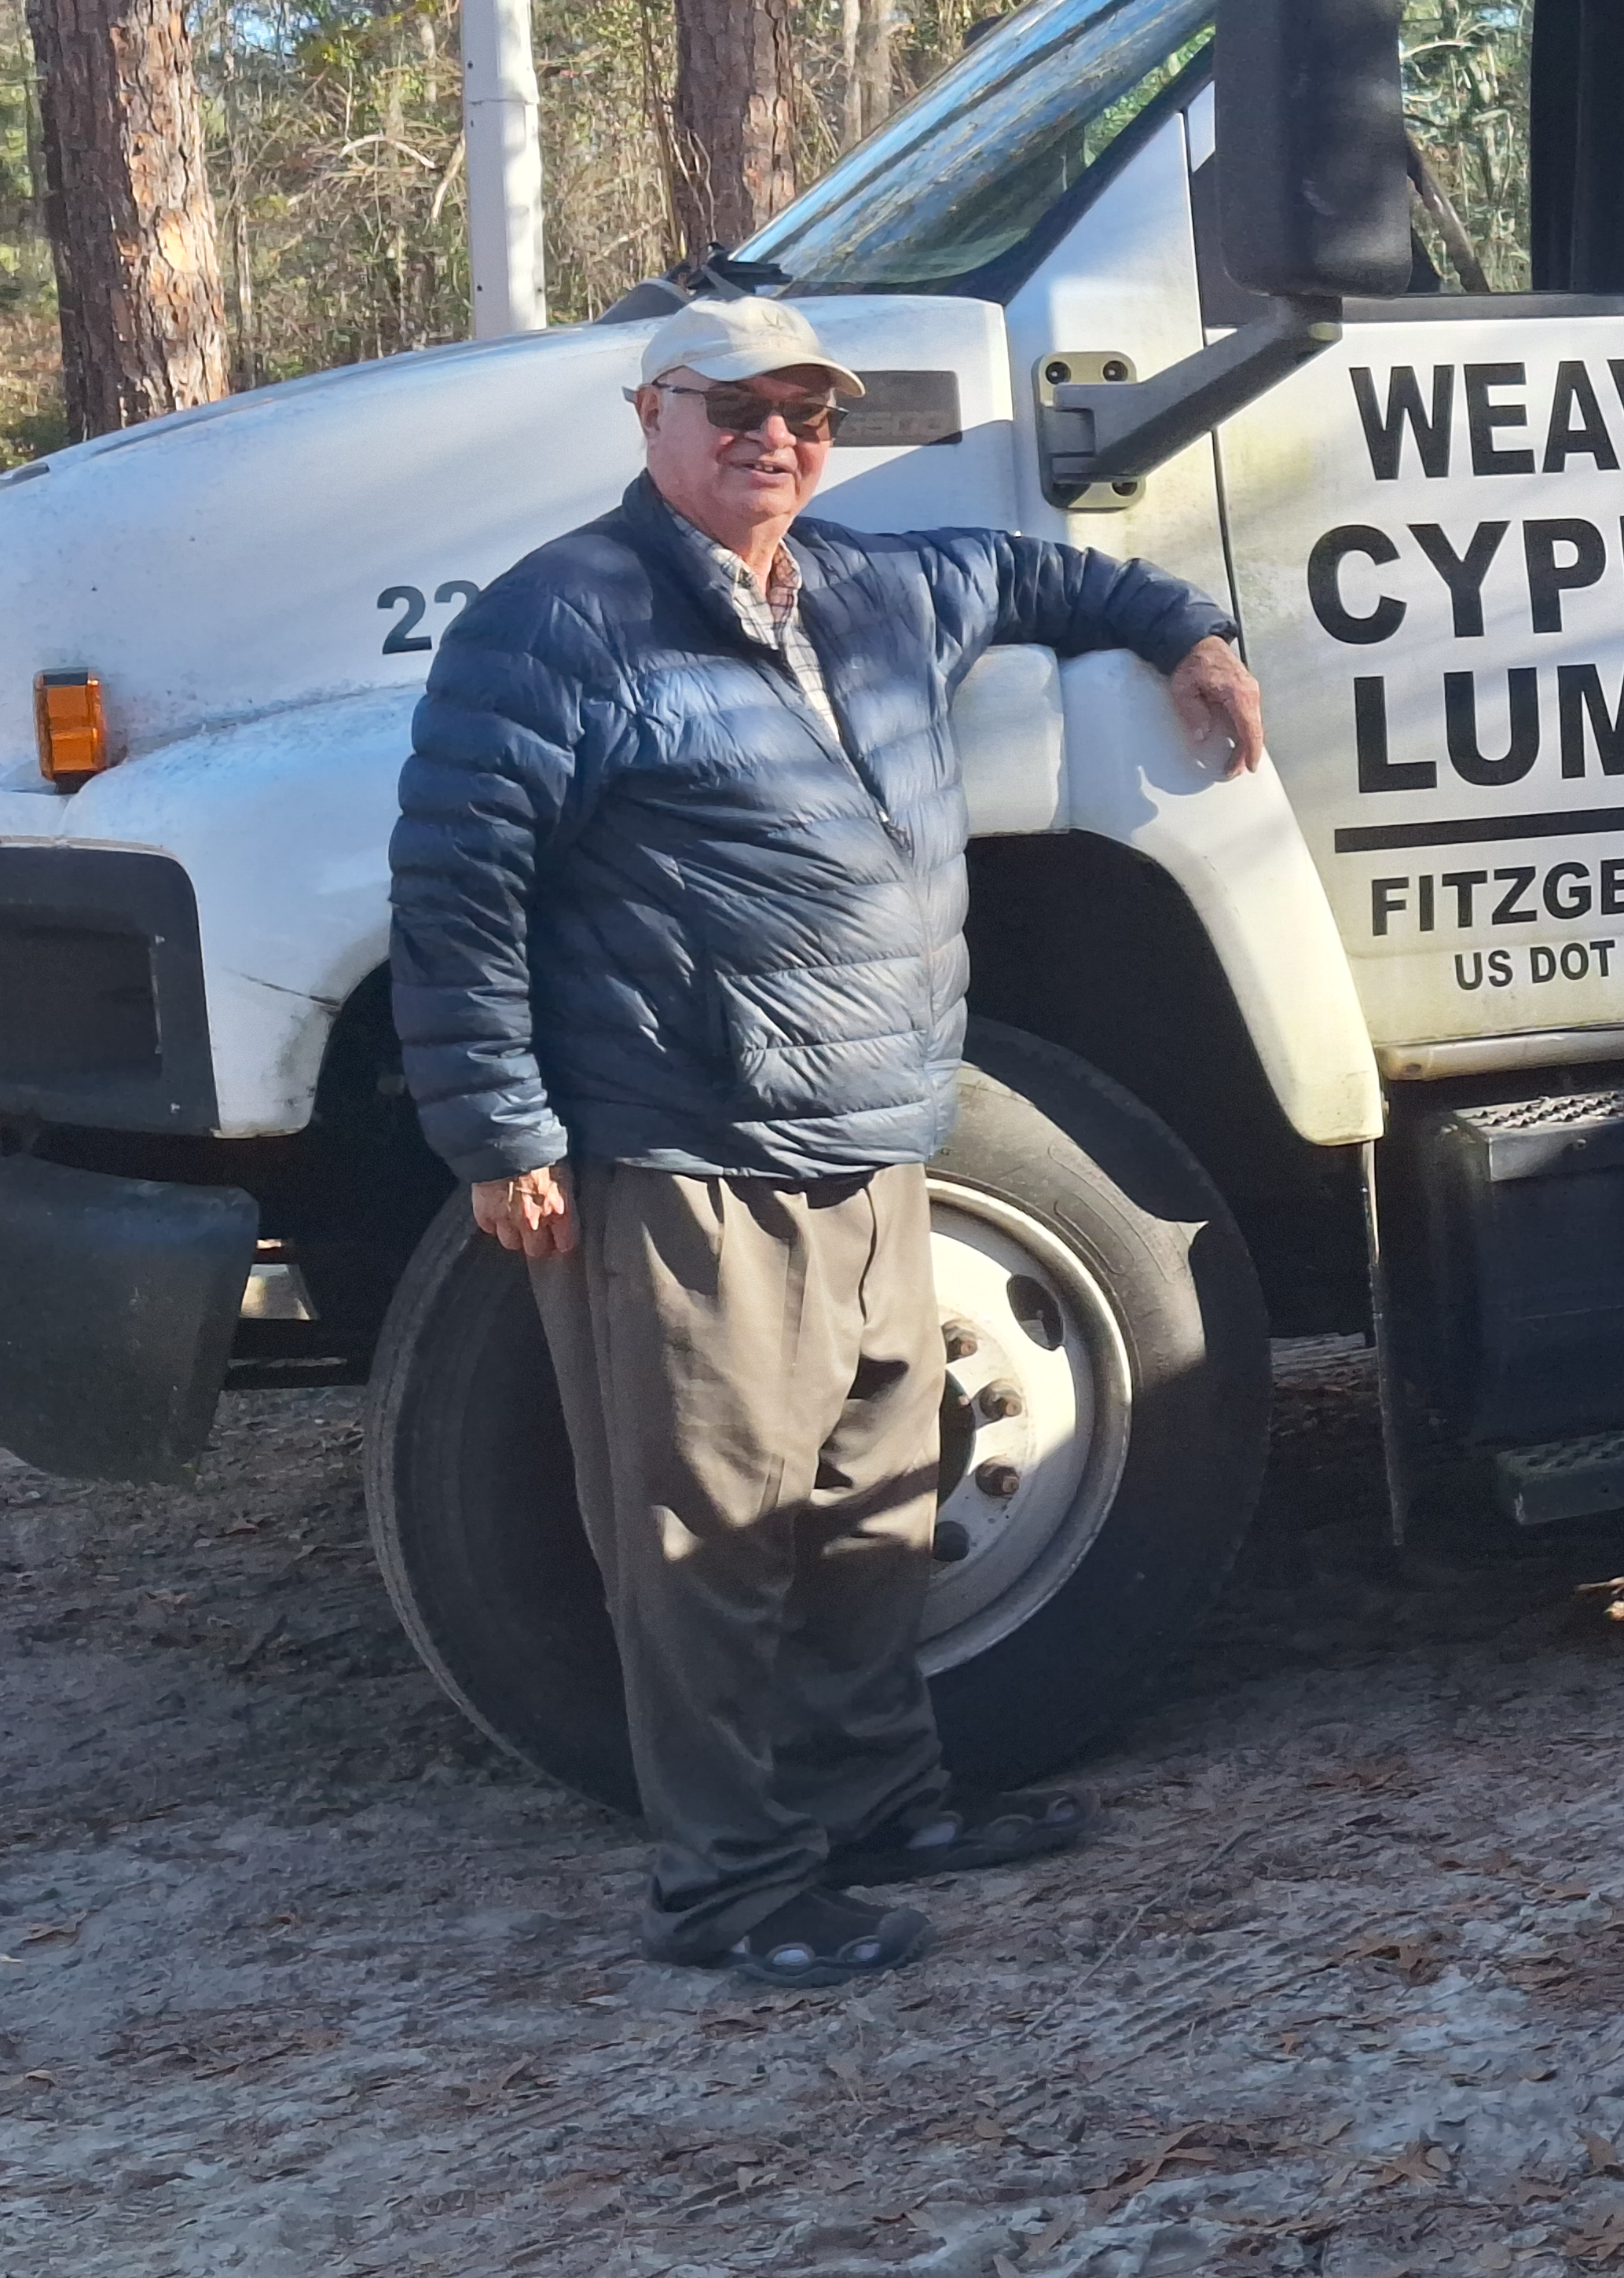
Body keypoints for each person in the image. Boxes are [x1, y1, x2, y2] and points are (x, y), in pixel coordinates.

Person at [388, 298, 1266, 1987]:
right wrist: (499, 1130)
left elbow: (1045, 578)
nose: (772, 437)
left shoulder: (876, 587)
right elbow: (455, 893)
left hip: (875, 1134)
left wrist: (1187, 633)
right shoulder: (557, 623)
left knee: (878, 1487)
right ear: (654, 415)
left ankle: (881, 1802)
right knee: (706, 1539)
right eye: (734, 407)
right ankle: (728, 1886)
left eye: (804, 411)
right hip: (686, 1155)